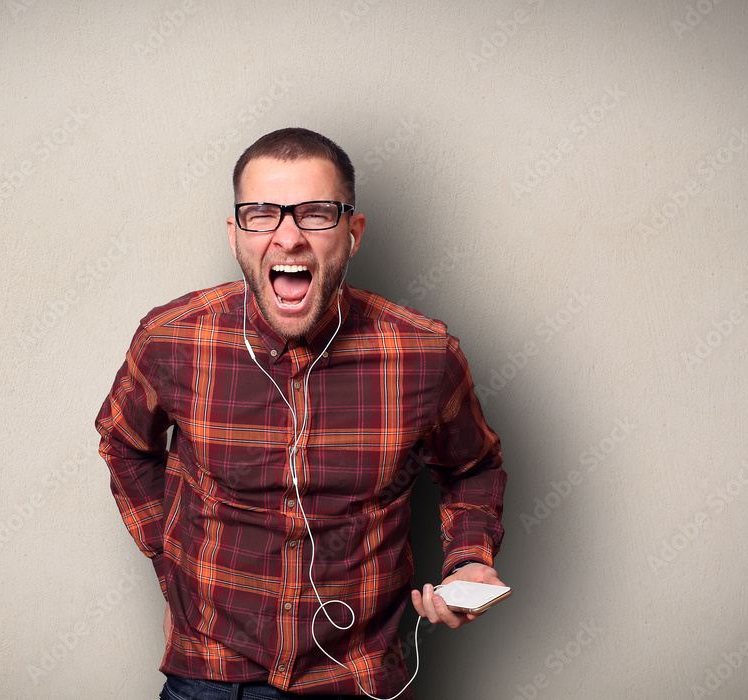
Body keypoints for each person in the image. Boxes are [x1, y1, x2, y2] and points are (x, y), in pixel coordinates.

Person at [95, 127, 506, 700]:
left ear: (353, 233)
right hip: (212, 675)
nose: (288, 238)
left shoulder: (424, 354)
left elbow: (473, 467)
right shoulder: (173, 339)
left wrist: (469, 559)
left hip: (358, 678)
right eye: (261, 214)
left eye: (315, 213)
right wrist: (172, 567)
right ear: (235, 235)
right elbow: (123, 442)